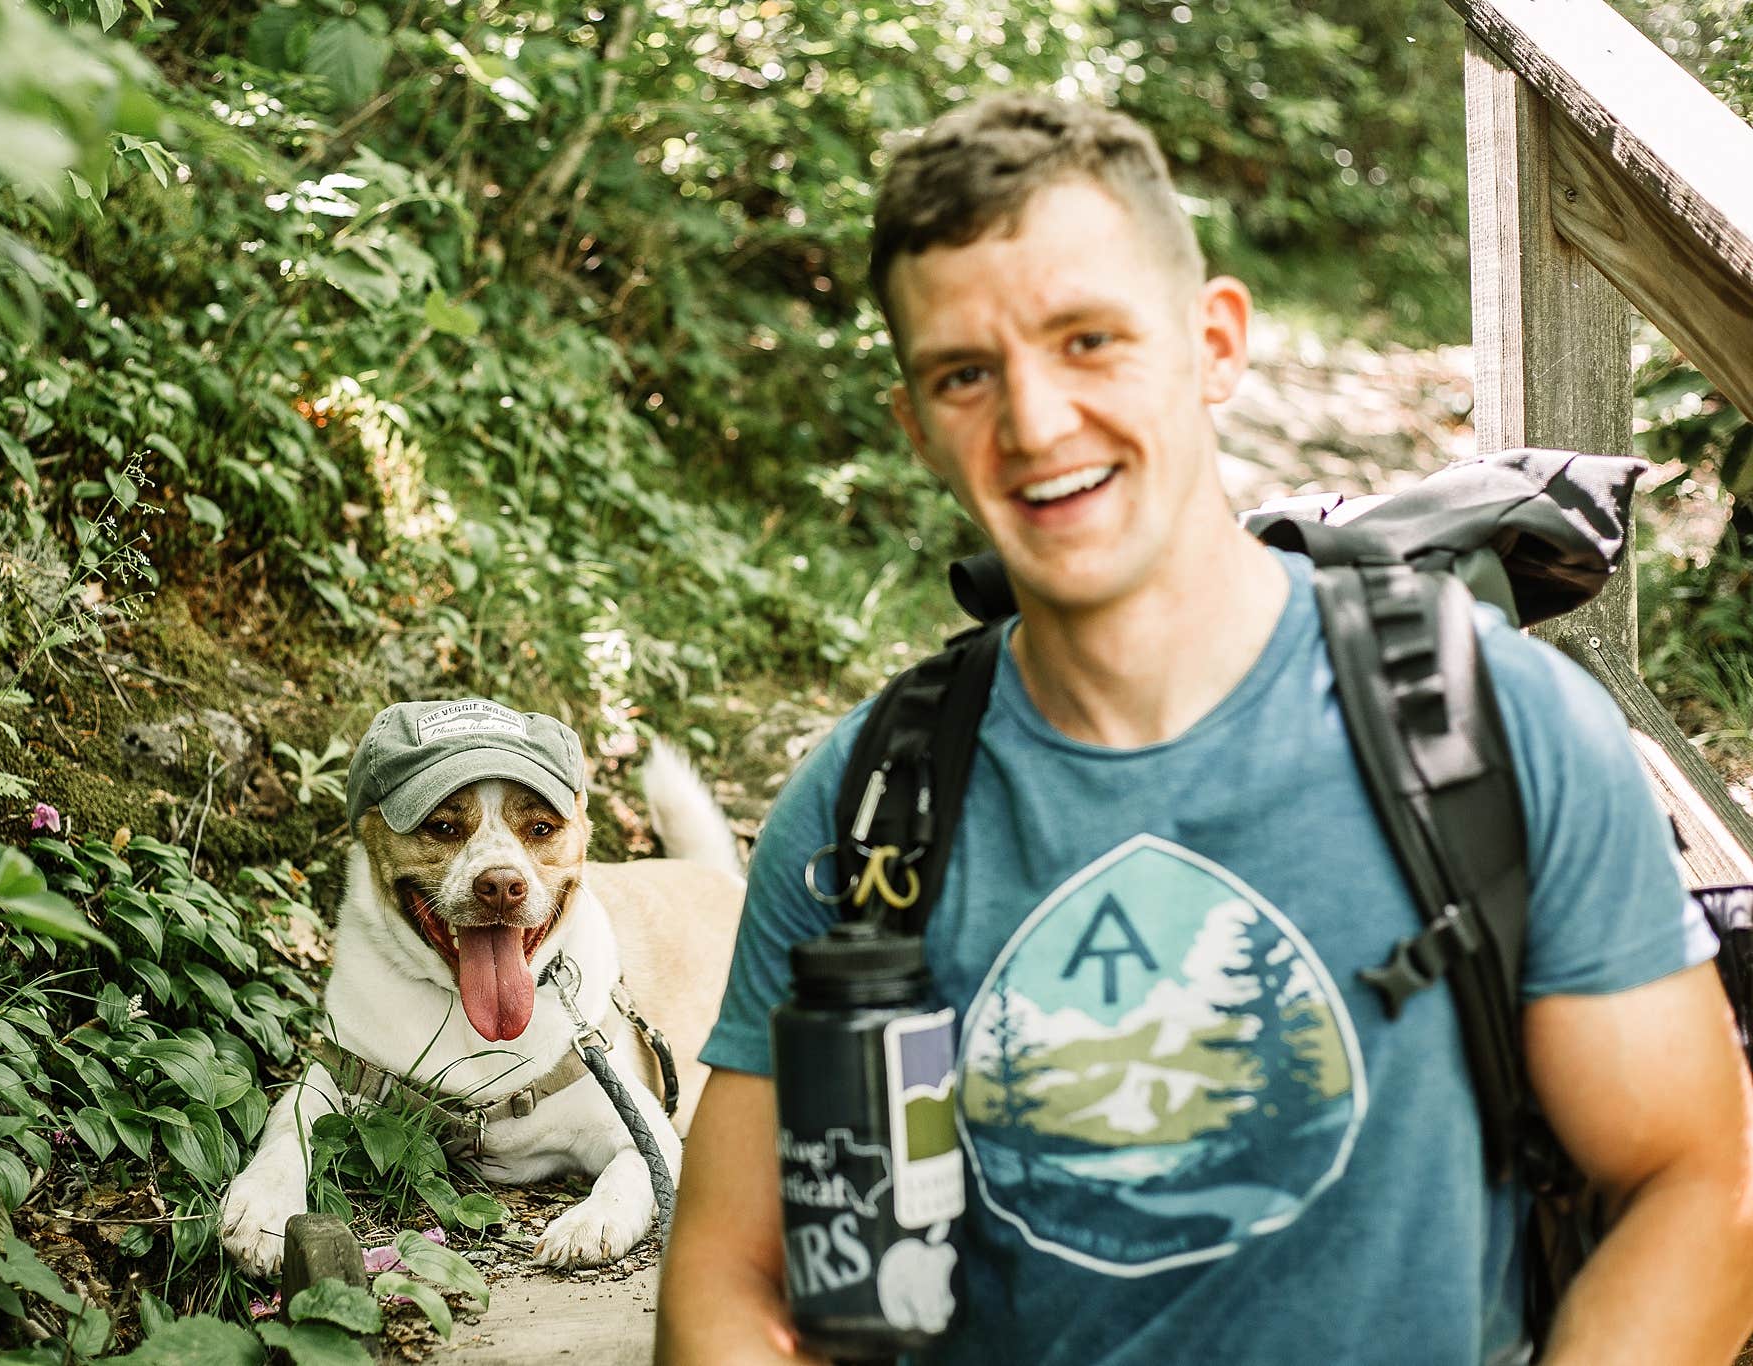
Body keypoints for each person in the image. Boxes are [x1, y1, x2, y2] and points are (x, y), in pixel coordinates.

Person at [655, 92, 1753, 1366]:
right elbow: (728, 1277)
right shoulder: (862, 812)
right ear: (912, 426)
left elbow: (1698, 1181)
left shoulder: (1498, 731)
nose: (1034, 423)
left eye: (1088, 340)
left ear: (1212, 342)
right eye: (965, 373)